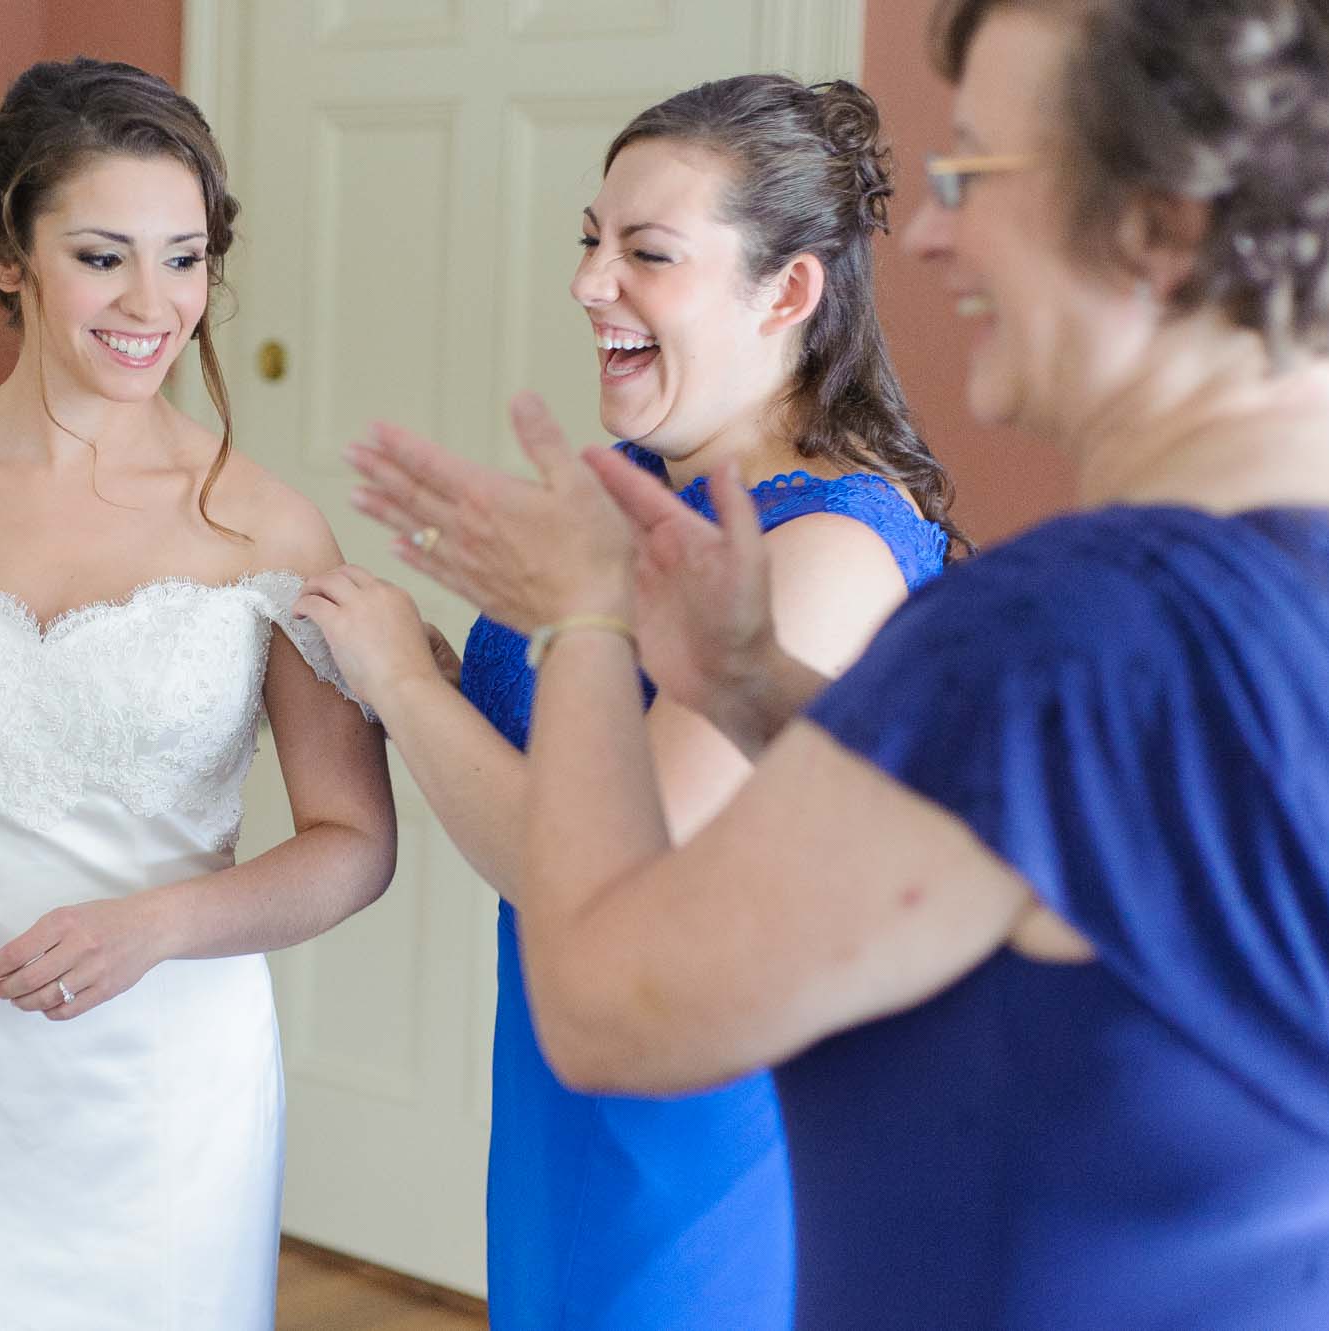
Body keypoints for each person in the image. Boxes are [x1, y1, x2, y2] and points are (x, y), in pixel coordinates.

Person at [342, 0, 1329, 1325]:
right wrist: (749, 689)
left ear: (1162, 225)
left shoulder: (1056, 641)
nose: (934, 230)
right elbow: (1065, 861)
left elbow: (609, 1007)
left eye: (975, 174)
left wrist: (586, 620)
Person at [296, 75, 961, 1329]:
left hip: (706, 1139)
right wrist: (440, 676)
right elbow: (573, 755)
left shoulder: (829, 549)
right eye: (589, 241)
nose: (589, 282)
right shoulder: (620, 490)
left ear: (786, 292)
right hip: (560, 1094)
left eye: (644, 252)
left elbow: (615, 873)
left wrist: (395, 680)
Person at [0, 58, 395, 1329]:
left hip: (166, 1088)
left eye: (184, 258)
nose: (152, 302)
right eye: (103, 255)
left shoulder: (265, 524)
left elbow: (353, 845)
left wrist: (159, 924)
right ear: (11, 256)